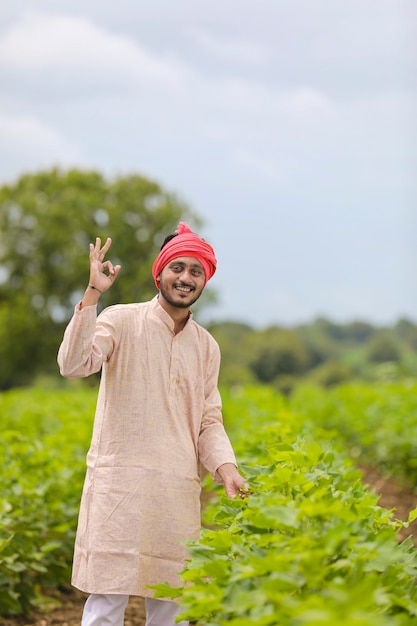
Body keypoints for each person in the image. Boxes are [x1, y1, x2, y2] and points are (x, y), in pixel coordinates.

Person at [57, 222, 249, 626]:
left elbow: (208, 420)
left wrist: (226, 467)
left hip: (174, 489)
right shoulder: (121, 319)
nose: (186, 278)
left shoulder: (206, 346)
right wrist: (92, 294)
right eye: (178, 268)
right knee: (106, 601)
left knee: (171, 601)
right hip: (119, 487)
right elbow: (74, 365)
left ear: (205, 281)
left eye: (196, 272)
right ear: (159, 272)